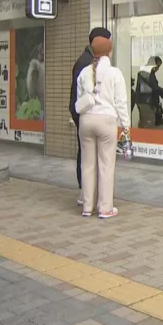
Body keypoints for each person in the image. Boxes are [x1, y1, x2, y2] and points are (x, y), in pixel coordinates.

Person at [75, 35, 130, 219]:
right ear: (110, 52)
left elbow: (79, 99)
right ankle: (105, 208)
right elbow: (121, 102)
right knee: (106, 165)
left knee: (87, 164)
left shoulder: (84, 72)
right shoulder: (115, 73)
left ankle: (87, 206)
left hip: (86, 121)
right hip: (106, 121)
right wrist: (126, 126)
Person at [70, 27, 112, 193]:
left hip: (85, 116)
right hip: (89, 116)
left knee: (88, 159)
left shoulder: (86, 60)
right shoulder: (87, 63)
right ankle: (87, 193)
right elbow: (81, 94)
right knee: (90, 159)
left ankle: (87, 196)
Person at [135, 56, 163, 128]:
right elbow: (154, 87)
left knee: (143, 122)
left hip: (143, 101)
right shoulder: (147, 74)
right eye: (157, 66)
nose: (157, 69)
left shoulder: (144, 73)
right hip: (147, 102)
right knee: (149, 123)